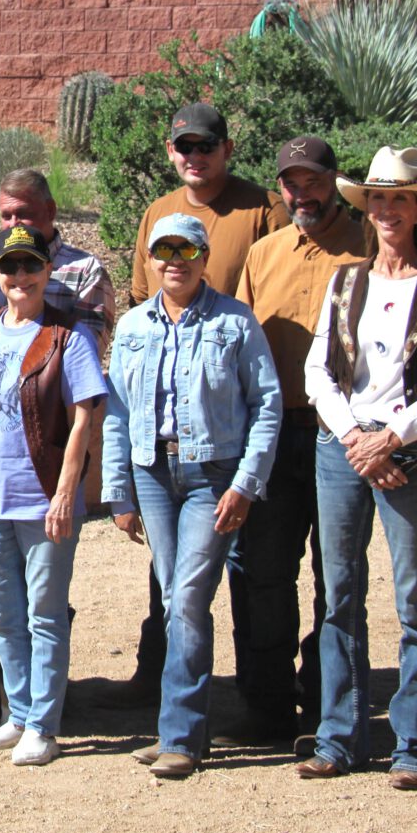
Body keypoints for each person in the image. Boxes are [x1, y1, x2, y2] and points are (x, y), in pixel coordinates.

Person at [296, 147, 417, 791]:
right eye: (378, 198)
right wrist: (354, 439)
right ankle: (339, 736)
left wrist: (389, 438)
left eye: (400, 198)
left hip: (411, 455)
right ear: (365, 207)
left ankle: (415, 743)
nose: (388, 209)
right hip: (344, 453)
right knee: (338, 596)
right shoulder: (346, 281)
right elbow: (318, 369)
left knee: (414, 600)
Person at [121, 103, 289, 705]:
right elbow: (143, 306)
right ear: (171, 151)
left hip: (237, 407)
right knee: (172, 581)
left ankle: (261, 694)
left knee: (252, 565)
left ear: (226, 148)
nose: (195, 157)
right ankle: (162, 686)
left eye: (206, 146)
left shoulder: (260, 207)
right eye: (184, 146)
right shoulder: (159, 213)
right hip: (168, 434)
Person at [102, 213, 281, 779]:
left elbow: (267, 404)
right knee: (172, 594)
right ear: (150, 260)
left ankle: (180, 734)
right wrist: (118, 491)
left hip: (213, 475)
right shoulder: (132, 327)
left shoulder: (235, 322)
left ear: (204, 257)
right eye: (164, 250)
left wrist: (246, 483)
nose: (174, 260)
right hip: (154, 474)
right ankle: (179, 727)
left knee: (186, 596)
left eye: (187, 250)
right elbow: (118, 412)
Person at [0, 224, 106, 767]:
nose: (21, 277)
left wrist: (67, 493)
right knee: (5, 615)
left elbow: (85, 415)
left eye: (31, 266)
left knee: (45, 614)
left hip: (42, 498)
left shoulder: (67, 336)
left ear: (47, 272)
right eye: (10, 267)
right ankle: (17, 714)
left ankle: (44, 724)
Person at [225, 136, 368, 744]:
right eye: (290, 182)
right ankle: (268, 705)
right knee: (266, 574)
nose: (300, 193)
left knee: (337, 578)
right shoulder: (264, 254)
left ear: (334, 180)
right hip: (276, 433)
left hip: (344, 436)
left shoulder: (369, 250)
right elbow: (239, 347)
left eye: (311, 180)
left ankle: (331, 703)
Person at [0, 168, 114, 341]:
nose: (14, 224)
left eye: (23, 214)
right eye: (6, 216)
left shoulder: (85, 272)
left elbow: (85, 353)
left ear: (50, 210)